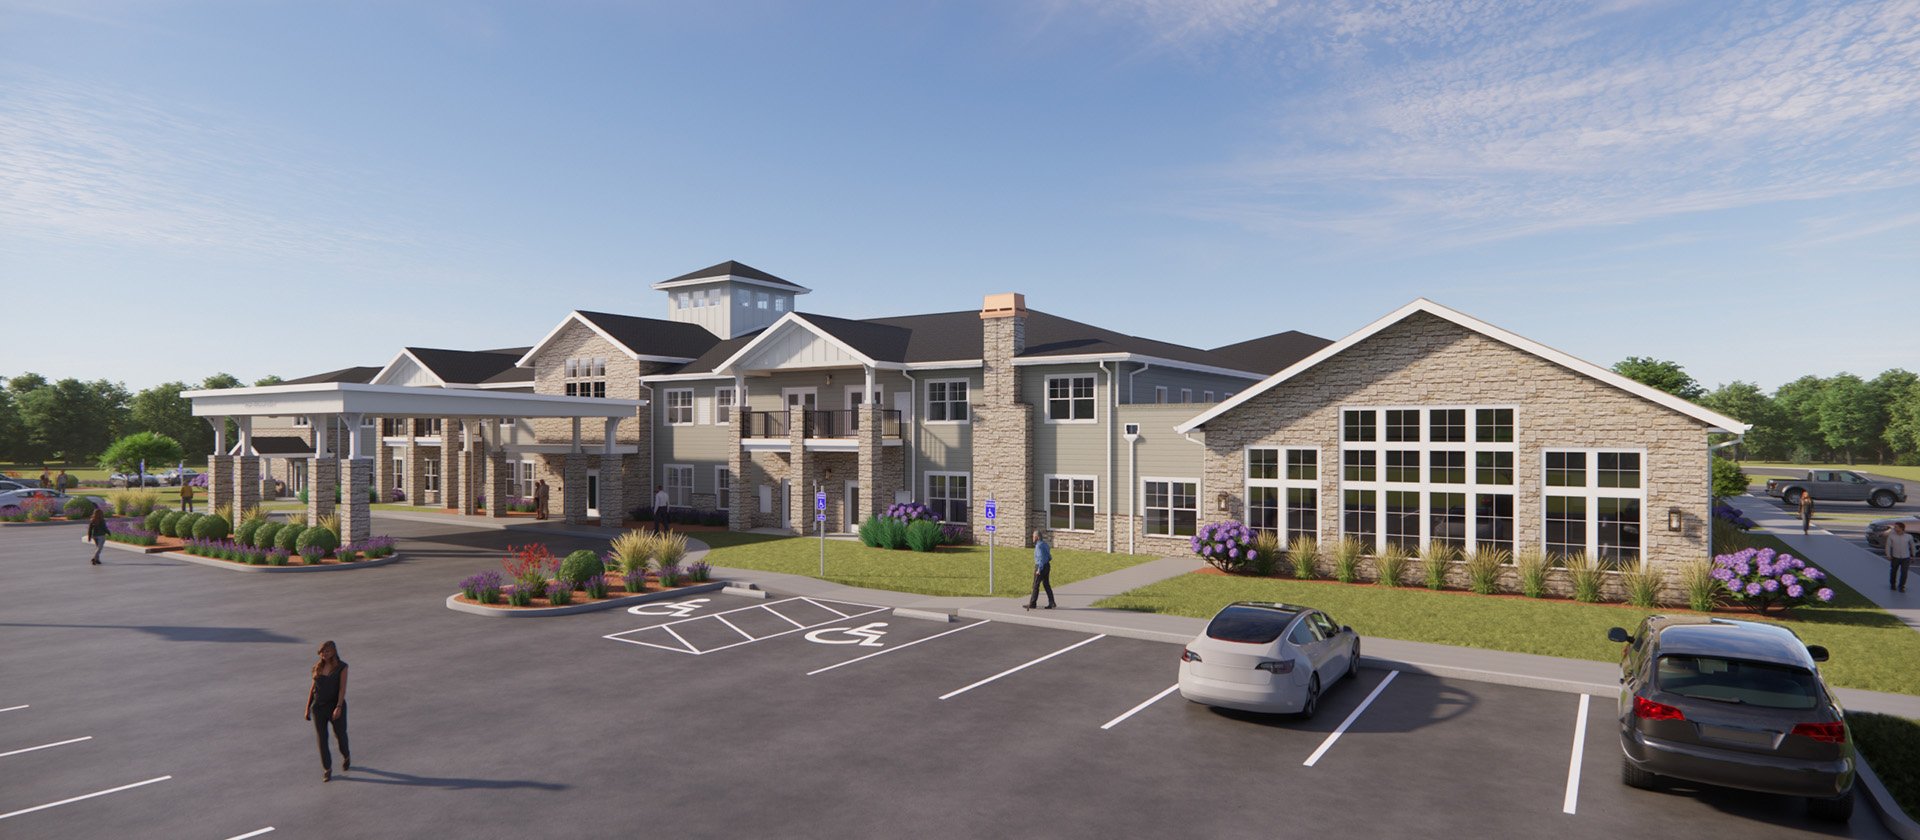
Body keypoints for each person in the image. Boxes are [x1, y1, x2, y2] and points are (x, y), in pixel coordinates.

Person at [304, 640, 351, 782]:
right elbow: (313, 689)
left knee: (340, 735)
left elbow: (342, 688)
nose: (325, 654)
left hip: (334, 706)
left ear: (334, 651)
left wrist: (338, 707)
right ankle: (327, 769)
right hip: (318, 708)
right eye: (323, 651)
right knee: (322, 739)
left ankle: (346, 755)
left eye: (328, 651)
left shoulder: (342, 667)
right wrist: (307, 708)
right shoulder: (317, 668)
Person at [1025, 529, 1055, 610]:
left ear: (1037, 537)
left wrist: (1039, 569)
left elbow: (1041, 558)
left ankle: (1032, 604)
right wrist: (1045, 564)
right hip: (1047, 566)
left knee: (1035, 585)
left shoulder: (1038, 546)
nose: (1032, 538)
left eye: (1033, 537)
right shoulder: (1045, 544)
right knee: (1046, 585)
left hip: (1040, 567)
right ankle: (1052, 602)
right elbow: (1049, 557)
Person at [1888, 521, 1914, 593]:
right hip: (1895, 557)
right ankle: (1893, 584)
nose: (1894, 528)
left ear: (1901, 528)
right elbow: (1888, 546)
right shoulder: (1891, 536)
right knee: (1893, 571)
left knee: (1904, 572)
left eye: (1896, 527)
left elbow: (1912, 546)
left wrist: (1913, 555)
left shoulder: (1908, 536)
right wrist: (1888, 555)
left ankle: (1901, 586)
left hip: (1906, 558)